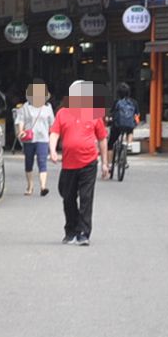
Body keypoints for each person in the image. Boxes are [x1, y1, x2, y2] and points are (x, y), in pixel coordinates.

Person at [50, 80, 109, 245]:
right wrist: (52, 150)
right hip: (69, 163)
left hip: (89, 162)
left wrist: (105, 163)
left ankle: (83, 232)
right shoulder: (62, 113)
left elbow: (102, 139)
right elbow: (54, 133)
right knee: (67, 197)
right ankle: (71, 230)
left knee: (86, 197)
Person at [15, 82, 55, 197]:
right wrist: (21, 131)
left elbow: (52, 123)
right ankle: (30, 186)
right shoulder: (26, 107)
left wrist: (53, 136)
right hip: (29, 139)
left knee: (42, 162)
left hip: (43, 138)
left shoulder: (48, 107)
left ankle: (43, 187)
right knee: (29, 162)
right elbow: (20, 120)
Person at [105, 82, 141, 179]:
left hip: (117, 126)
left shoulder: (116, 102)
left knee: (110, 144)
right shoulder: (134, 102)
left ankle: (110, 165)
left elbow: (111, 114)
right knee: (130, 130)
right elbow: (137, 115)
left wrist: (108, 120)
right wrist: (135, 122)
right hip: (129, 125)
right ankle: (128, 144)